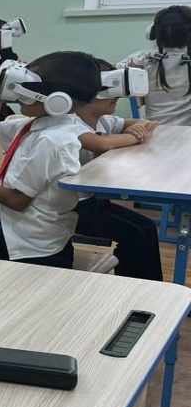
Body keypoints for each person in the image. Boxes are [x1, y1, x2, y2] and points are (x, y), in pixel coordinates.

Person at [0, 51, 102, 268]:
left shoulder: (51, 141)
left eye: (27, 86)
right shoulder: (35, 126)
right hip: (22, 238)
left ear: (56, 100)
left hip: (37, 253)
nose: (19, 91)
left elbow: (17, 201)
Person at [69, 59, 163, 281]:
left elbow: (147, 123)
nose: (116, 96)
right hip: (70, 206)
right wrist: (132, 136)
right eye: (107, 89)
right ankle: (129, 289)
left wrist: (137, 128)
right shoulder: (69, 124)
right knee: (134, 236)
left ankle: (149, 289)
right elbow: (101, 144)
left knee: (146, 228)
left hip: (93, 200)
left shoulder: (104, 121)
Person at [116, 5, 191, 125]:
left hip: (152, 132)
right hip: (187, 134)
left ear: (152, 33)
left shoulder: (143, 59)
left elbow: (110, 76)